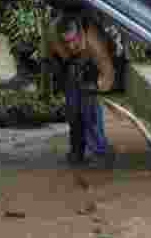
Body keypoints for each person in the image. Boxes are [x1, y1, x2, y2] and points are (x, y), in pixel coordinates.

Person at [43, 11, 118, 167]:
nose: (70, 45)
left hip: (91, 65)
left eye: (73, 41)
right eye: (66, 42)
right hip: (69, 65)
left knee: (90, 111)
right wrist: (55, 72)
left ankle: (100, 152)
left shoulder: (94, 41)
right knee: (73, 112)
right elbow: (48, 57)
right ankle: (77, 150)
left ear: (80, 33)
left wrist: (96, 85)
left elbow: (108, 73)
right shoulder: (52, 34)